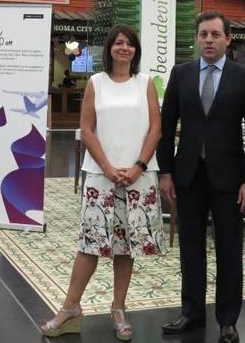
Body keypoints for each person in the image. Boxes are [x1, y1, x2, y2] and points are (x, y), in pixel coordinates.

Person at [40, 25, 163, 340]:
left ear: (135, 50)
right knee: (90, 243)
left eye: (129, 44)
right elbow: (87, 128)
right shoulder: (96, 83)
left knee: (126, 246)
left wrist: (137, 166)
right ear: (109, 48)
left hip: (139, 176)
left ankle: (118, 308)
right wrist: (108, 167)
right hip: (100, 175)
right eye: (119, 43)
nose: (124, 48)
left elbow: (155, 130)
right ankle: (70, 308)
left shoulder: (146, 83)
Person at [158, 11, 245, 343]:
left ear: (228, 39)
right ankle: (191, 312)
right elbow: (165, 126)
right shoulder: (181, 73)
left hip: (230, 177)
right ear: (197, 38)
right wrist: (165, 172)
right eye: (203, 34)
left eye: (216, 34)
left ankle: (228, 320)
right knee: (190, 247)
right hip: (187, 174)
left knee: (230, 249)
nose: (209, 40)